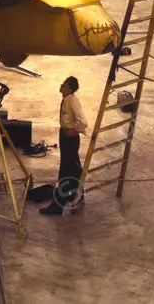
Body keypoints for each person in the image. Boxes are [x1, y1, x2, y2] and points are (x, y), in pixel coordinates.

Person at [40, 76, 88, 215]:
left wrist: (76, 129)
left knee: (66, 171)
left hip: (70, 137)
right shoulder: (66, 99)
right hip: (65, 135)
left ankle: (59, 204)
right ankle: (77, 197)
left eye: (65, 85)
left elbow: (83, 121)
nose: (62, 86)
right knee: (74, 168)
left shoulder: (72, 101)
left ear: (71, 89)